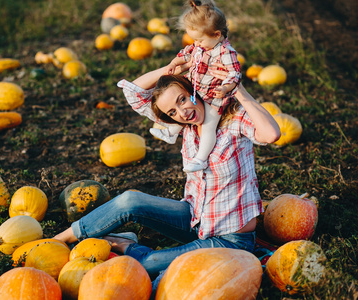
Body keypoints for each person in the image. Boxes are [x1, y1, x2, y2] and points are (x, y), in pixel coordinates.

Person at [53, 64, 280, 294]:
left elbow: (272, 134)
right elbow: (134, 93)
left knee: (149, 264)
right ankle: (61, 239)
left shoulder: (233, 119)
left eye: (182, 99)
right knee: (130, 200)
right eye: (172, 112)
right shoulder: (186, 127)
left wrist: (237, 88)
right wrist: (175, 66)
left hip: (229, 241)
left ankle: (123, 244)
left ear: (193, 90)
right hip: (193, 219)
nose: (182, 112)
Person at [150, 0, 242, 173]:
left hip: (215, 96)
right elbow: (185, 53)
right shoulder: (201, 45)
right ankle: (170, 131)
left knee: (208, 125)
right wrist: (173, 63)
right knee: (182, 109)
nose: (196, 44)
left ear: (216, 34)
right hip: (196, 88)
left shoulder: (226, 53)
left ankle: (200, 159)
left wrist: (226, 89)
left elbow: (234, 74)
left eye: (199, 40)